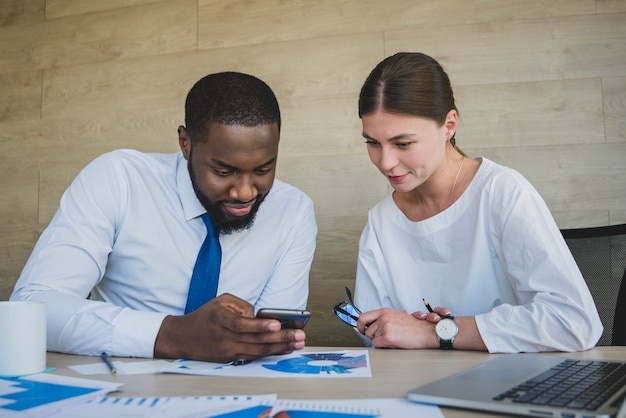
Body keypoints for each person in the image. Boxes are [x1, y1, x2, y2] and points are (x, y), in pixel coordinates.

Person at [11, 72, 317, 363]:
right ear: (185, 143)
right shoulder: (119, 180)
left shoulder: (293, 211)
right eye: (224, 172)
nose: (245, 192)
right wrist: (172, 334)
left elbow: (276, 338)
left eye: (263, 170)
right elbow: (33, 309)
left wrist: (262, 337)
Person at [351, 52, 602, 353]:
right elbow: (373, 335)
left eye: (403, 144)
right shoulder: (382, 221)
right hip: (419, 387)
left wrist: (439, 332)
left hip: (513, 385)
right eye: (373, 143)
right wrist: (396, 331)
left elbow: (574, 323)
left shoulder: (502, 192)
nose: (386, 162)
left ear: (449, 125)